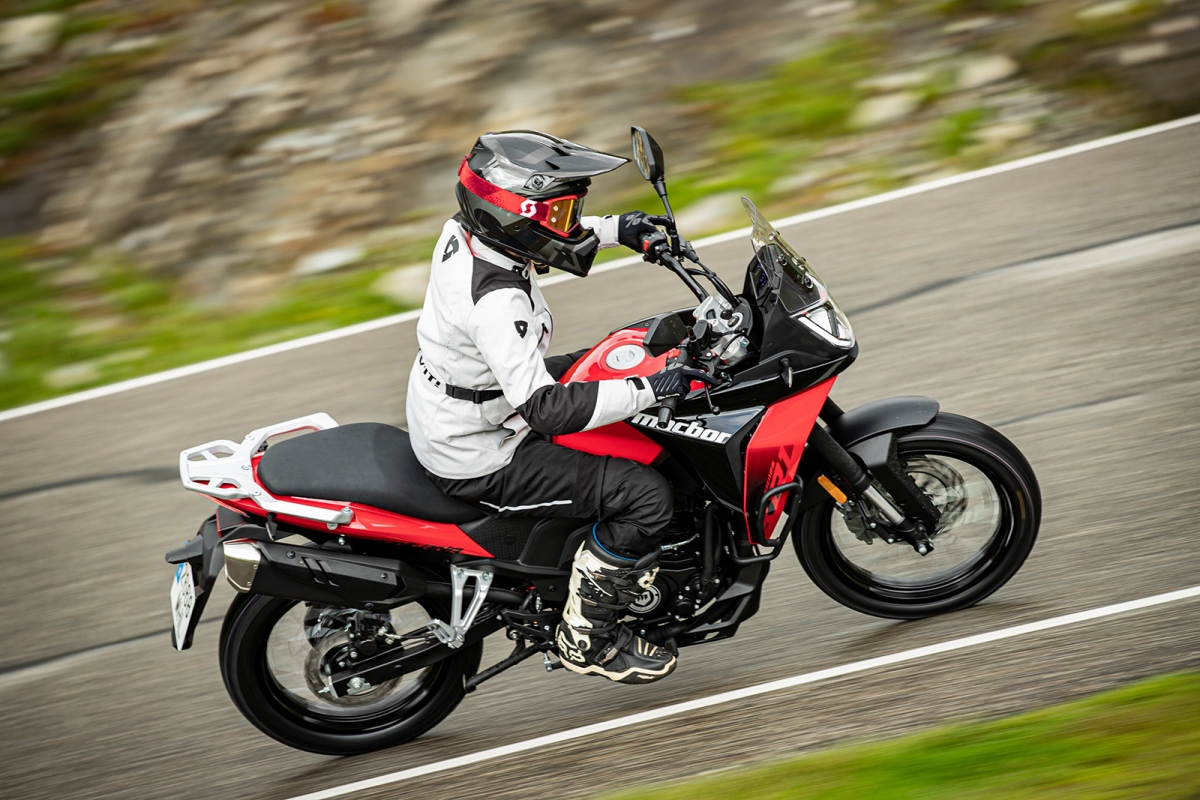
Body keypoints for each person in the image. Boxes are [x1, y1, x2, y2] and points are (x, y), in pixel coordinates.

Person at [406, 130, 708, 684]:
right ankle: (586, 637)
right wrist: (658, 388)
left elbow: (543, 234)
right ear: (517, 215)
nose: (570, 222)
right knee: (645, 495)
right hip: (483, 448)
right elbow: (545, 410)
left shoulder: (470, 234)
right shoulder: (497, 302)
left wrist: (618, 230)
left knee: (617, 354)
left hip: (478, 405)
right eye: (562, 211)